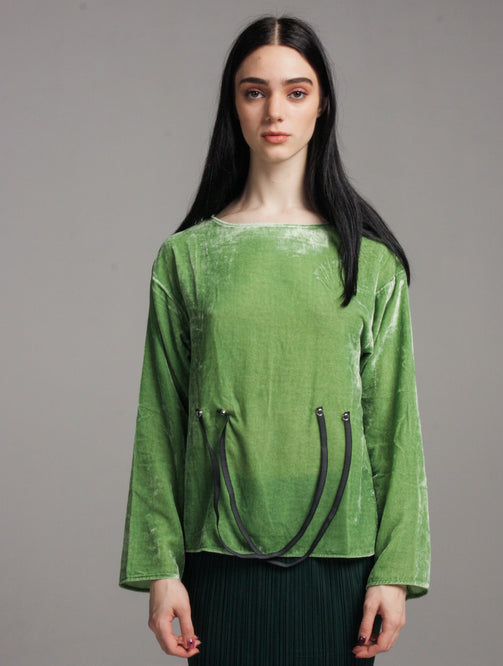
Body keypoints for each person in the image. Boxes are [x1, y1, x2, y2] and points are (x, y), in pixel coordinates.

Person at [119, 14, 430, 666]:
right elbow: (159, 424)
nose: (274, 111)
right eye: (254, 91)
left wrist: (395, 571)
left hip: (342, 565)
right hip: (215, 561)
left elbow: (394, 426)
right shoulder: (187, 258)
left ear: (322, 105)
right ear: (233, 105)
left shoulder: (370, 262)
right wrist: (160, 569)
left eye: (296, 91)